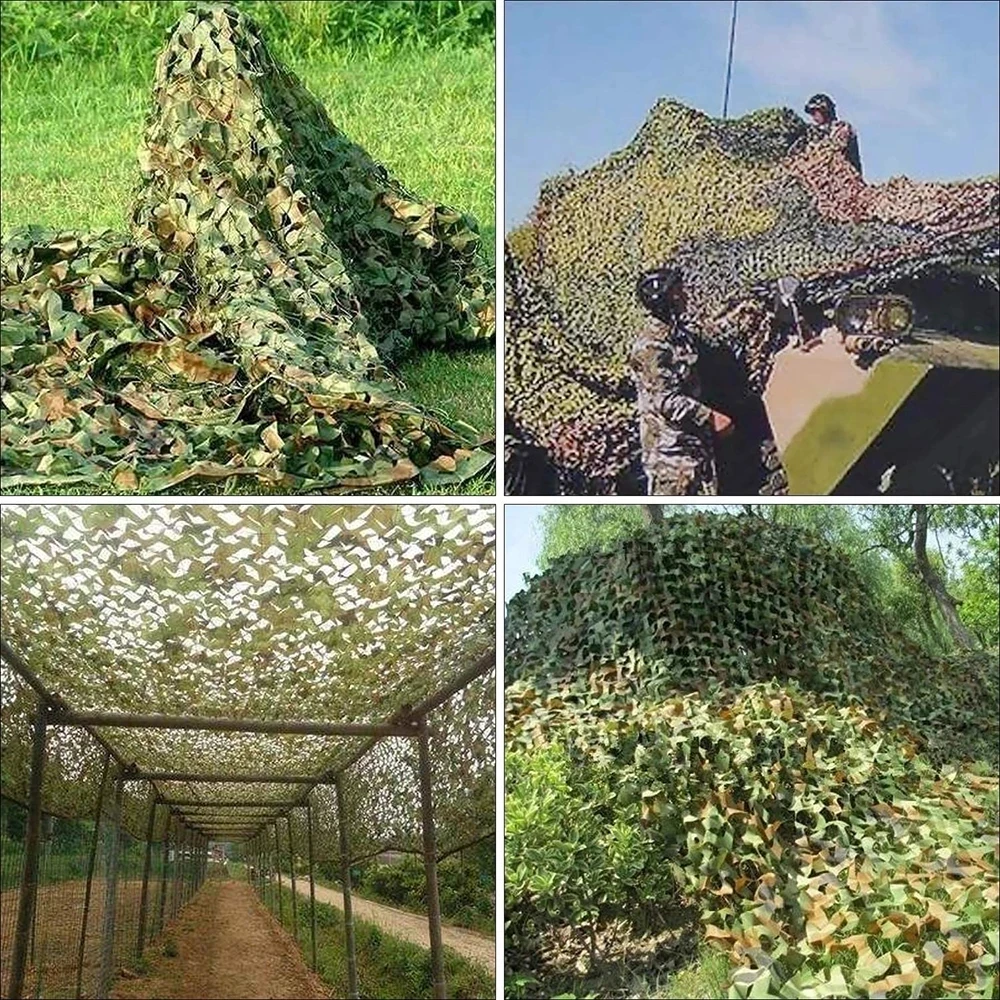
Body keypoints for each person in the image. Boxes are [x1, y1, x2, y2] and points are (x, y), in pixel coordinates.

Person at [629, 267, 734, 495]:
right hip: (671, 459)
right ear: (664, 299)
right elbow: (665, 401)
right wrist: (710, 418)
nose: (684, 296)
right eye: (678, 292)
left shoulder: (679, 337)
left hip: (694, 450)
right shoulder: (650, 347)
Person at [803, 93, 862, 176]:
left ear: (824, 111)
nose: (813, 117)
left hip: (846, 176)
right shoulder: (817, 132)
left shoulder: (843, 128)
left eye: (814, 112)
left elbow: (835, 150)